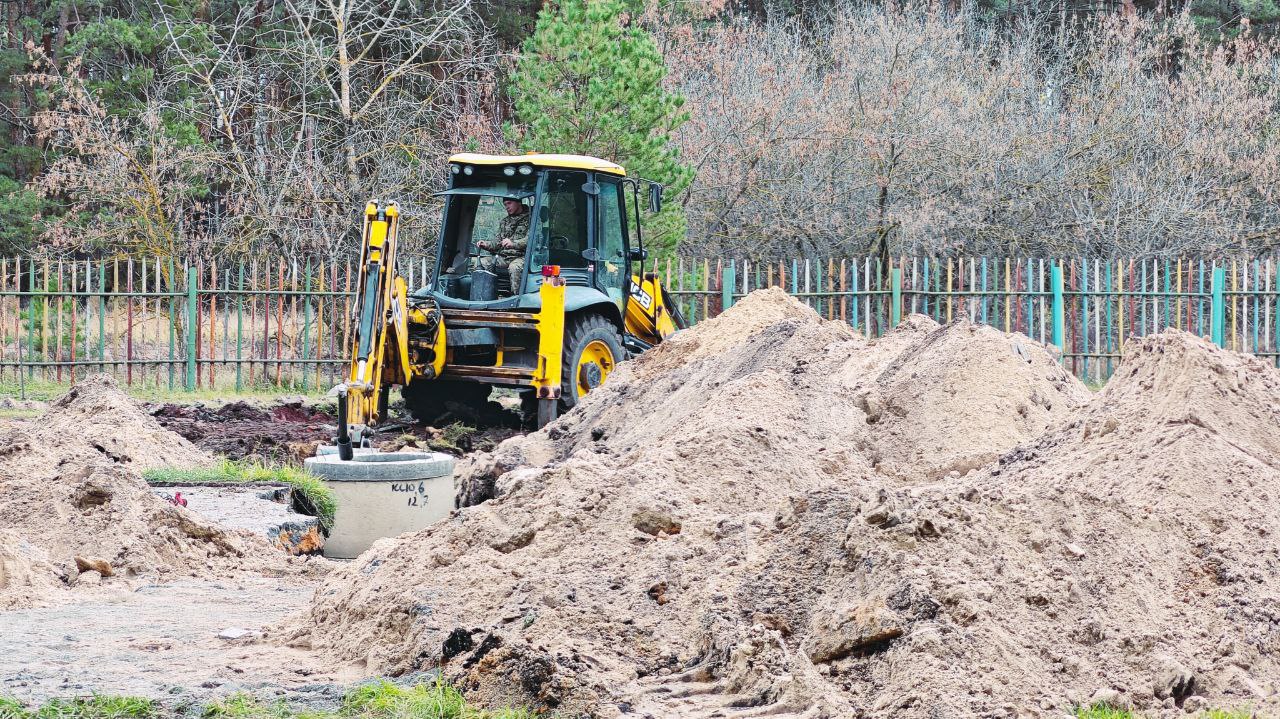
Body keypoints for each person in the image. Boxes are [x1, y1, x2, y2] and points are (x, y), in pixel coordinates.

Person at [476, 197, 530, 293]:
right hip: (504, 257)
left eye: (509, 203)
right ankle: (482, 294)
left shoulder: (531, 219)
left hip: (522, 257)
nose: (507, 207)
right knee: (481, 262)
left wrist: (513, 244)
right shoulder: (504, 222)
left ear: (518, 202)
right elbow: (497, 243)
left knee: (514, 267)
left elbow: (531, 239)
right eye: (505, 205)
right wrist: (485, 244)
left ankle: (515, 297)